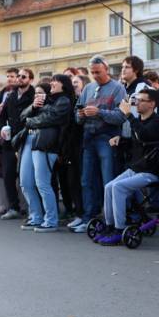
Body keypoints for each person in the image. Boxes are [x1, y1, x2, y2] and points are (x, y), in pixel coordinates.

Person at [96, 89, 159, 245]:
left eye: (141, 100)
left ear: (152, 104)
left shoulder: (157, 122)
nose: (137, 103)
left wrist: (128, 115)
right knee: (109, 187)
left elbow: (144, 136)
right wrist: (120, 140)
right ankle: (109, 226)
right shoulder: (139, 121)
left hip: (151, 171)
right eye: (136, 100)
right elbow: (137, 143)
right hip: (136, 168)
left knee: (118, 187)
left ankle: (119, 229)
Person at [73, 55, 127, 233]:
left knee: (108, 180)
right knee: (86, 180)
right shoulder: (88, 88)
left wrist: (99, 112)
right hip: (88, 138)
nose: (95, 75)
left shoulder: (118, 88)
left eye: (98, 72)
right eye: (92, 72)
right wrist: (80, 115)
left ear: (107, 69)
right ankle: (89, 218)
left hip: (107, 138)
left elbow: (122, 116)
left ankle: (110, 220)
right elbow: (77, 114)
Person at [18, 74, 74, 232]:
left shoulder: (63, 101)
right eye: (52, 81)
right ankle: (36, 217)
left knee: (42, 183)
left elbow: (51, 119)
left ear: (64, 85)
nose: (52, 83)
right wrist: (33, 107)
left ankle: (51, 220)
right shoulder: (48, 101)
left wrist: (30, 121)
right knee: (25, 183)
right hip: (32, 140)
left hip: (46, 144)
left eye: (56, 81)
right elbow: (22, 117)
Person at [0, 68, 35, 220]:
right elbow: (2, 116)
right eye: (18, 76)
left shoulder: (34, 95)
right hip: (9, 141)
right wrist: (1, 129)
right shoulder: (11, 95)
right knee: (8, 174)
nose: (19, 78)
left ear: (30, 79)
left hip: (27, 139)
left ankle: (32, 208)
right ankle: (13, 207)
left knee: (27, 177)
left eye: (23, 76)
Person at [63, 75, 90, 229]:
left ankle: (86, 215)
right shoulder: (71, 101)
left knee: (83, 183)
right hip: (72, 147)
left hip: (84, 145)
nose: (73, 85)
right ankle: (79, 214)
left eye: (76, 83)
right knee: (73, 182)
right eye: (72, 82)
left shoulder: (86, 100)